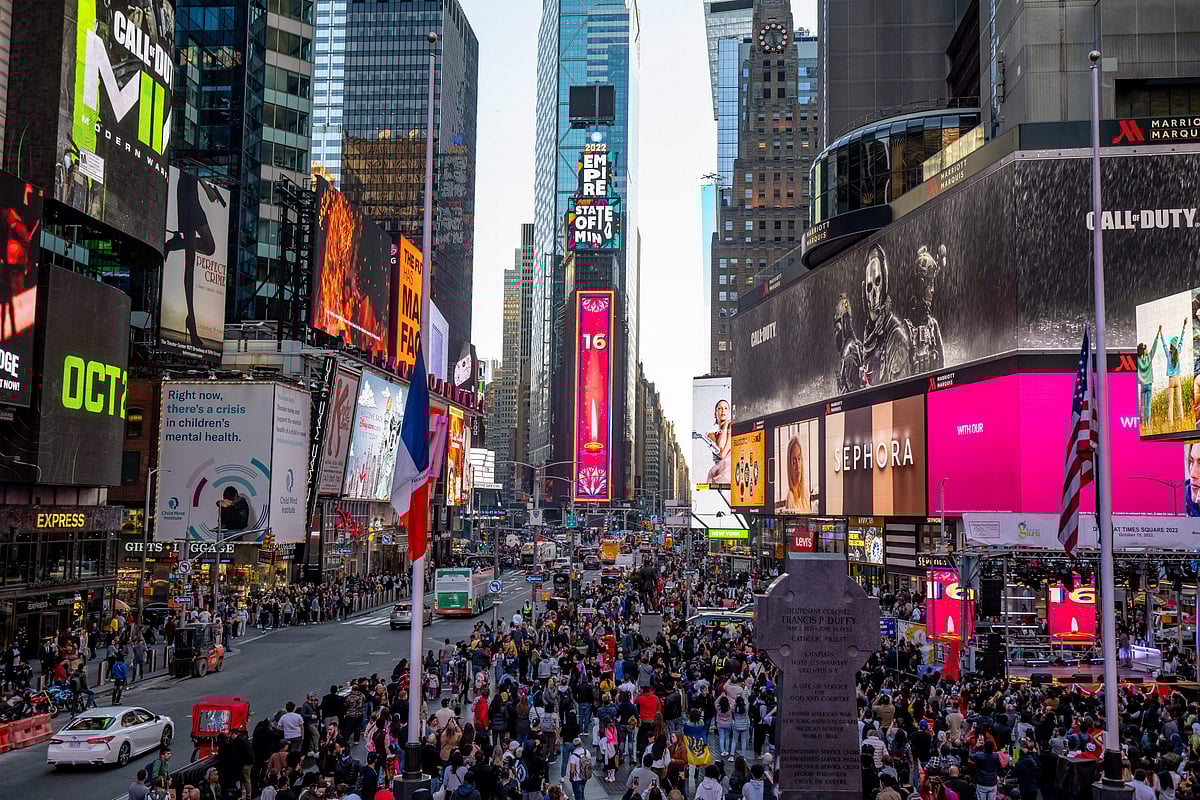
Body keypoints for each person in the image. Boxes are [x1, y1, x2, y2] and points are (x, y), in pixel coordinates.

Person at [701, 398, 732, 486]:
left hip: (729, 473)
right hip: (717, 474)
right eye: (720, 408)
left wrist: (728, 426)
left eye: (726, 408)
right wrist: (726, 425)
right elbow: (720, 448)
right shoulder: (710, 434)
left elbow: (722, 454)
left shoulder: (732, 427)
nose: (723, 411)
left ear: (729, 412)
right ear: (715, 413)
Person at [1139, 325, 1164, 426]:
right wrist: (1158, 333)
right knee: (1148, 406)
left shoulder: (1137, 360)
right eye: (1146, 348)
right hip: (1149, 384)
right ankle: (1148, 424)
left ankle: (1142, 423)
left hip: (1142, 385)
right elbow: (1154, 347)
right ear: (1144, 350)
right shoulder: (1148, 358)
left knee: (1142, 405)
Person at [779, 436, 810, 513]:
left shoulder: (806, 492)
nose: (798, 466)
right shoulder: (790, 497)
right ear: (790, 466)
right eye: (794, 461)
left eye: (799, 459)